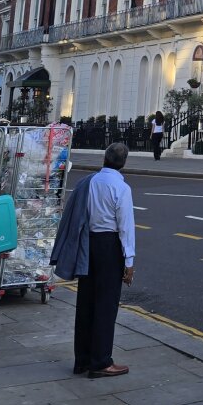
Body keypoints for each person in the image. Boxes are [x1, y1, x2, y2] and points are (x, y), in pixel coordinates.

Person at [75, 142, 136, 378]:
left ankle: (82, 359)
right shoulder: (121, 188)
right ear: (124, 162)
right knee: (105, 305)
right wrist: (129, 262)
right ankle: (100, 362)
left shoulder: (90, 182)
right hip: (109, 246)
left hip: (88, 243)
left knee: (86, 302)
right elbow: (126, 227)